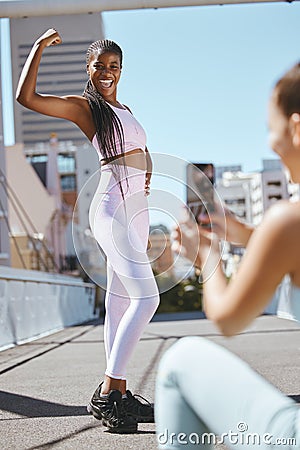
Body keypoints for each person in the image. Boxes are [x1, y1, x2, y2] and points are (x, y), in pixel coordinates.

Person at [16, 28, 160, 433]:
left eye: (114, 67)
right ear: (89, 68)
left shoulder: (125, 108)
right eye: (100, 66)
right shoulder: (86, 107)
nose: (108, 72)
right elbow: (27, 100)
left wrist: (147, 174)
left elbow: (138, 150)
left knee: (118, 305)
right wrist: (38, 48)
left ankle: (120, 392)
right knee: (147, 298)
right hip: (112, 209)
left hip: (140, 212)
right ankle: (107, 393)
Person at [155, 63, 300, 449]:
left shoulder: (288, 221)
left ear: (297, 129)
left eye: (273, 129)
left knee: (180, 361)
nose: (271, 142)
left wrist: (206, 256)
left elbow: (228, 318)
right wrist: (246, 234)